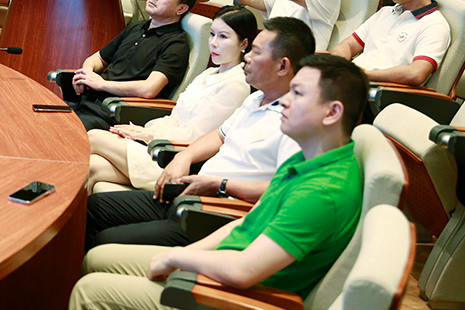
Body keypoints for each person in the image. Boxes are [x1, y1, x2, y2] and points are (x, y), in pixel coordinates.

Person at [70, 54, 368, 310]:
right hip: (222, 262)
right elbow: (248, 222)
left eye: (298, 94)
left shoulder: (322, 193)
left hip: (233, 295)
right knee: (96, 257)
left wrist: (176, 258)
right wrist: (183, 256)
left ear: (332, 112)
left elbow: (243, 271)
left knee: (88, 290)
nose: (285, 101)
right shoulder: (306, 158)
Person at [84, 17, 315, 251]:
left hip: (213, 211)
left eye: (256, 52)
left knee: (103, 237)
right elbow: (218, 136)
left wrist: (220, 184)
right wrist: (185, 157)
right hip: (190, 191)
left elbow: (282, 189)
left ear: (282, 66)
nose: (248, 57)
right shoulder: (256, 99)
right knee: (94, 207)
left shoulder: (295, 123)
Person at [86, 5, 257, 194]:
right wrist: (142, 133)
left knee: (93, 137)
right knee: (91, 166)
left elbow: (197, 139)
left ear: (243, 44)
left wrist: (148, 135)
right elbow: (175, 118)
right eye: (212, 34)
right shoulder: (210, 73)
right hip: (158, 145)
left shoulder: (236, 85)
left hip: (175, 160)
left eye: (223, 37)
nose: (214, 43)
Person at [66, 0, 198, 131]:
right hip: (84, 103)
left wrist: (102, 84)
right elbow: (98, 59)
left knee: (55, 130)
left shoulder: (176, 44)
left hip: (112, 114)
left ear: (181, 8)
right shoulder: (136, 27)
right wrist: (86, 73)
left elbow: (149, 89)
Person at [332, 0, 450, 87]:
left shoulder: (434, 25)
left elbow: (416, 74)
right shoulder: (385, 12)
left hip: (379, 92)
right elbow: (348, 45)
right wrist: (338, 64)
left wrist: (363, 75)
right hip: (351, 82)